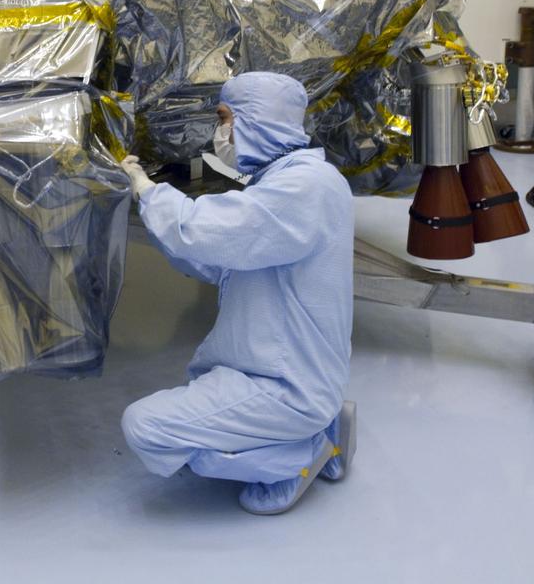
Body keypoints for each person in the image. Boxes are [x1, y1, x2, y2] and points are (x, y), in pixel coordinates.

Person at [118, 71, 357, 515]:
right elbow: (219, 260)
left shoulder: (307, 188)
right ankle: (316, 427)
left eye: (225, 119)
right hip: (272, 368)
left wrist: (149, 191)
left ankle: (305, 455)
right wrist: (158, 217)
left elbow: (207, 231)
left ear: (257, 119)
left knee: (147, 429)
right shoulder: (282, 181)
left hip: (286, 386)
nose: (220, 133)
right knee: (192, 417)